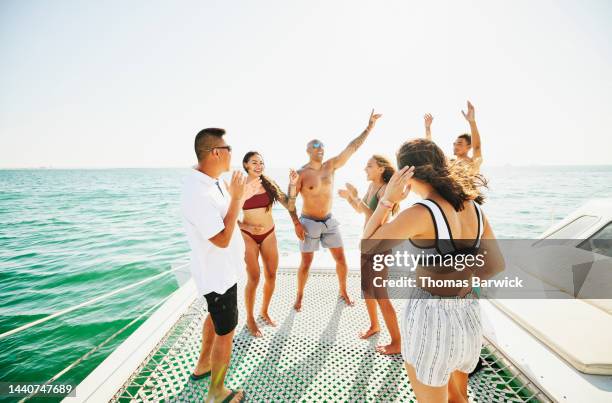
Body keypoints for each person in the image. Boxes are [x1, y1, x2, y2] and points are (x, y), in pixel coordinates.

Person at [362, 138, 504, 403]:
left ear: (407, 173)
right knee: (459, 398)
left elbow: (368, 246)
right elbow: (496, 265)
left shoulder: (421, 213)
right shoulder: (473, 207)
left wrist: (388, 201)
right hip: (469, 313)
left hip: (430, 317)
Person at [181, 128, 259, 403]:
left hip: (224, 273)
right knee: (226, 333)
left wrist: (240, 194)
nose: (231, 154)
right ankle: (216, 392)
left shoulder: (212, 181)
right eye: (228, 149)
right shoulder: (197, 194)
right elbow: (222, 239)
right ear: (215, 152)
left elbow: (226, 217)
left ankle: (203, 365)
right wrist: (238, 198)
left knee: (215, 320)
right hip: (217, 276)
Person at [292, 109, 382, 312]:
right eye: (316, 145)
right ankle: (299, 296)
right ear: (308, 150)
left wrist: (369, 127)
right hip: (309, 223)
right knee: (306, 263)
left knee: (341, 260)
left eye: (322, 146)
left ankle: (343, 291)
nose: (320, 148)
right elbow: (290, 201)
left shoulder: (331, 165)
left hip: (329, 222)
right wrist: (296, 223)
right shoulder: (301, 174)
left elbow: (352, 147)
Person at [337, 155, 402, 354]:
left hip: (380, 245)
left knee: (381, 294)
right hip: (367, 243)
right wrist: (350, 198)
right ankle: (375, 326)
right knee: (367, 289)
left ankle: (397, 342)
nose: (365, 168)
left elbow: (374, 215)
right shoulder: (372, 187)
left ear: (381, 169)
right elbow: (361, 210)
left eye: (369, 165)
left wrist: (354, 195)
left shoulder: (385, 190)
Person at [239, 151, 300, 337]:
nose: (259, 166)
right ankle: (249, 318)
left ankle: (264, 311)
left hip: (269, 233)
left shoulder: (269, 183)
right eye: (254, 162)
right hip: (248, 235)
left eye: (261, 163)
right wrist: (245, 225)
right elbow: (227, 214)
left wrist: (292, 184)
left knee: (271, 275)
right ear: (246, 165)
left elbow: (289, 204)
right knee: (254, 278)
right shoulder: (239, 186)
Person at [424, 101, 483, 173]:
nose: (455, 146)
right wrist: (427, 128)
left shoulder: (473, 163)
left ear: (469, 147)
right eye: (454, 144)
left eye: (459, 143)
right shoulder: (449, 163)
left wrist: (472, 122)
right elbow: (430, 151)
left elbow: (477, 148)